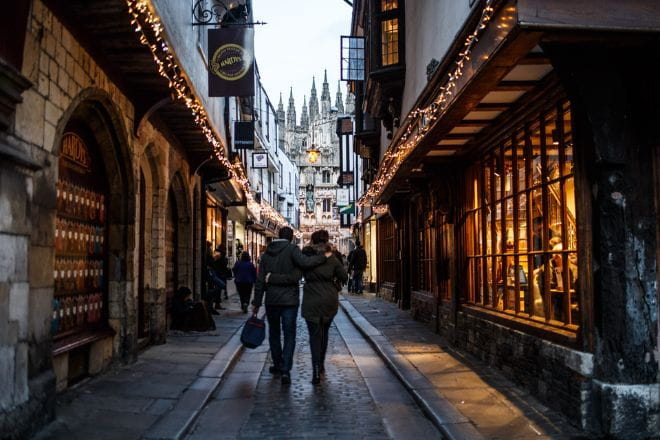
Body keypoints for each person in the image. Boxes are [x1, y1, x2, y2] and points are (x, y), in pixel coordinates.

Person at [251, 226, 327, 385]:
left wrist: (257, 302)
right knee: (289, 334)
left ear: (278, 236)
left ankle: (277, 364)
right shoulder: (292, 250)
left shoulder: (266, 254)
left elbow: (260, 281)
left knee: (274, 333)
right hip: (289, 302)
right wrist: (324, 256)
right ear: (291, 238)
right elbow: (300, 270)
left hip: (271, 300)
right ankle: (285, 369)